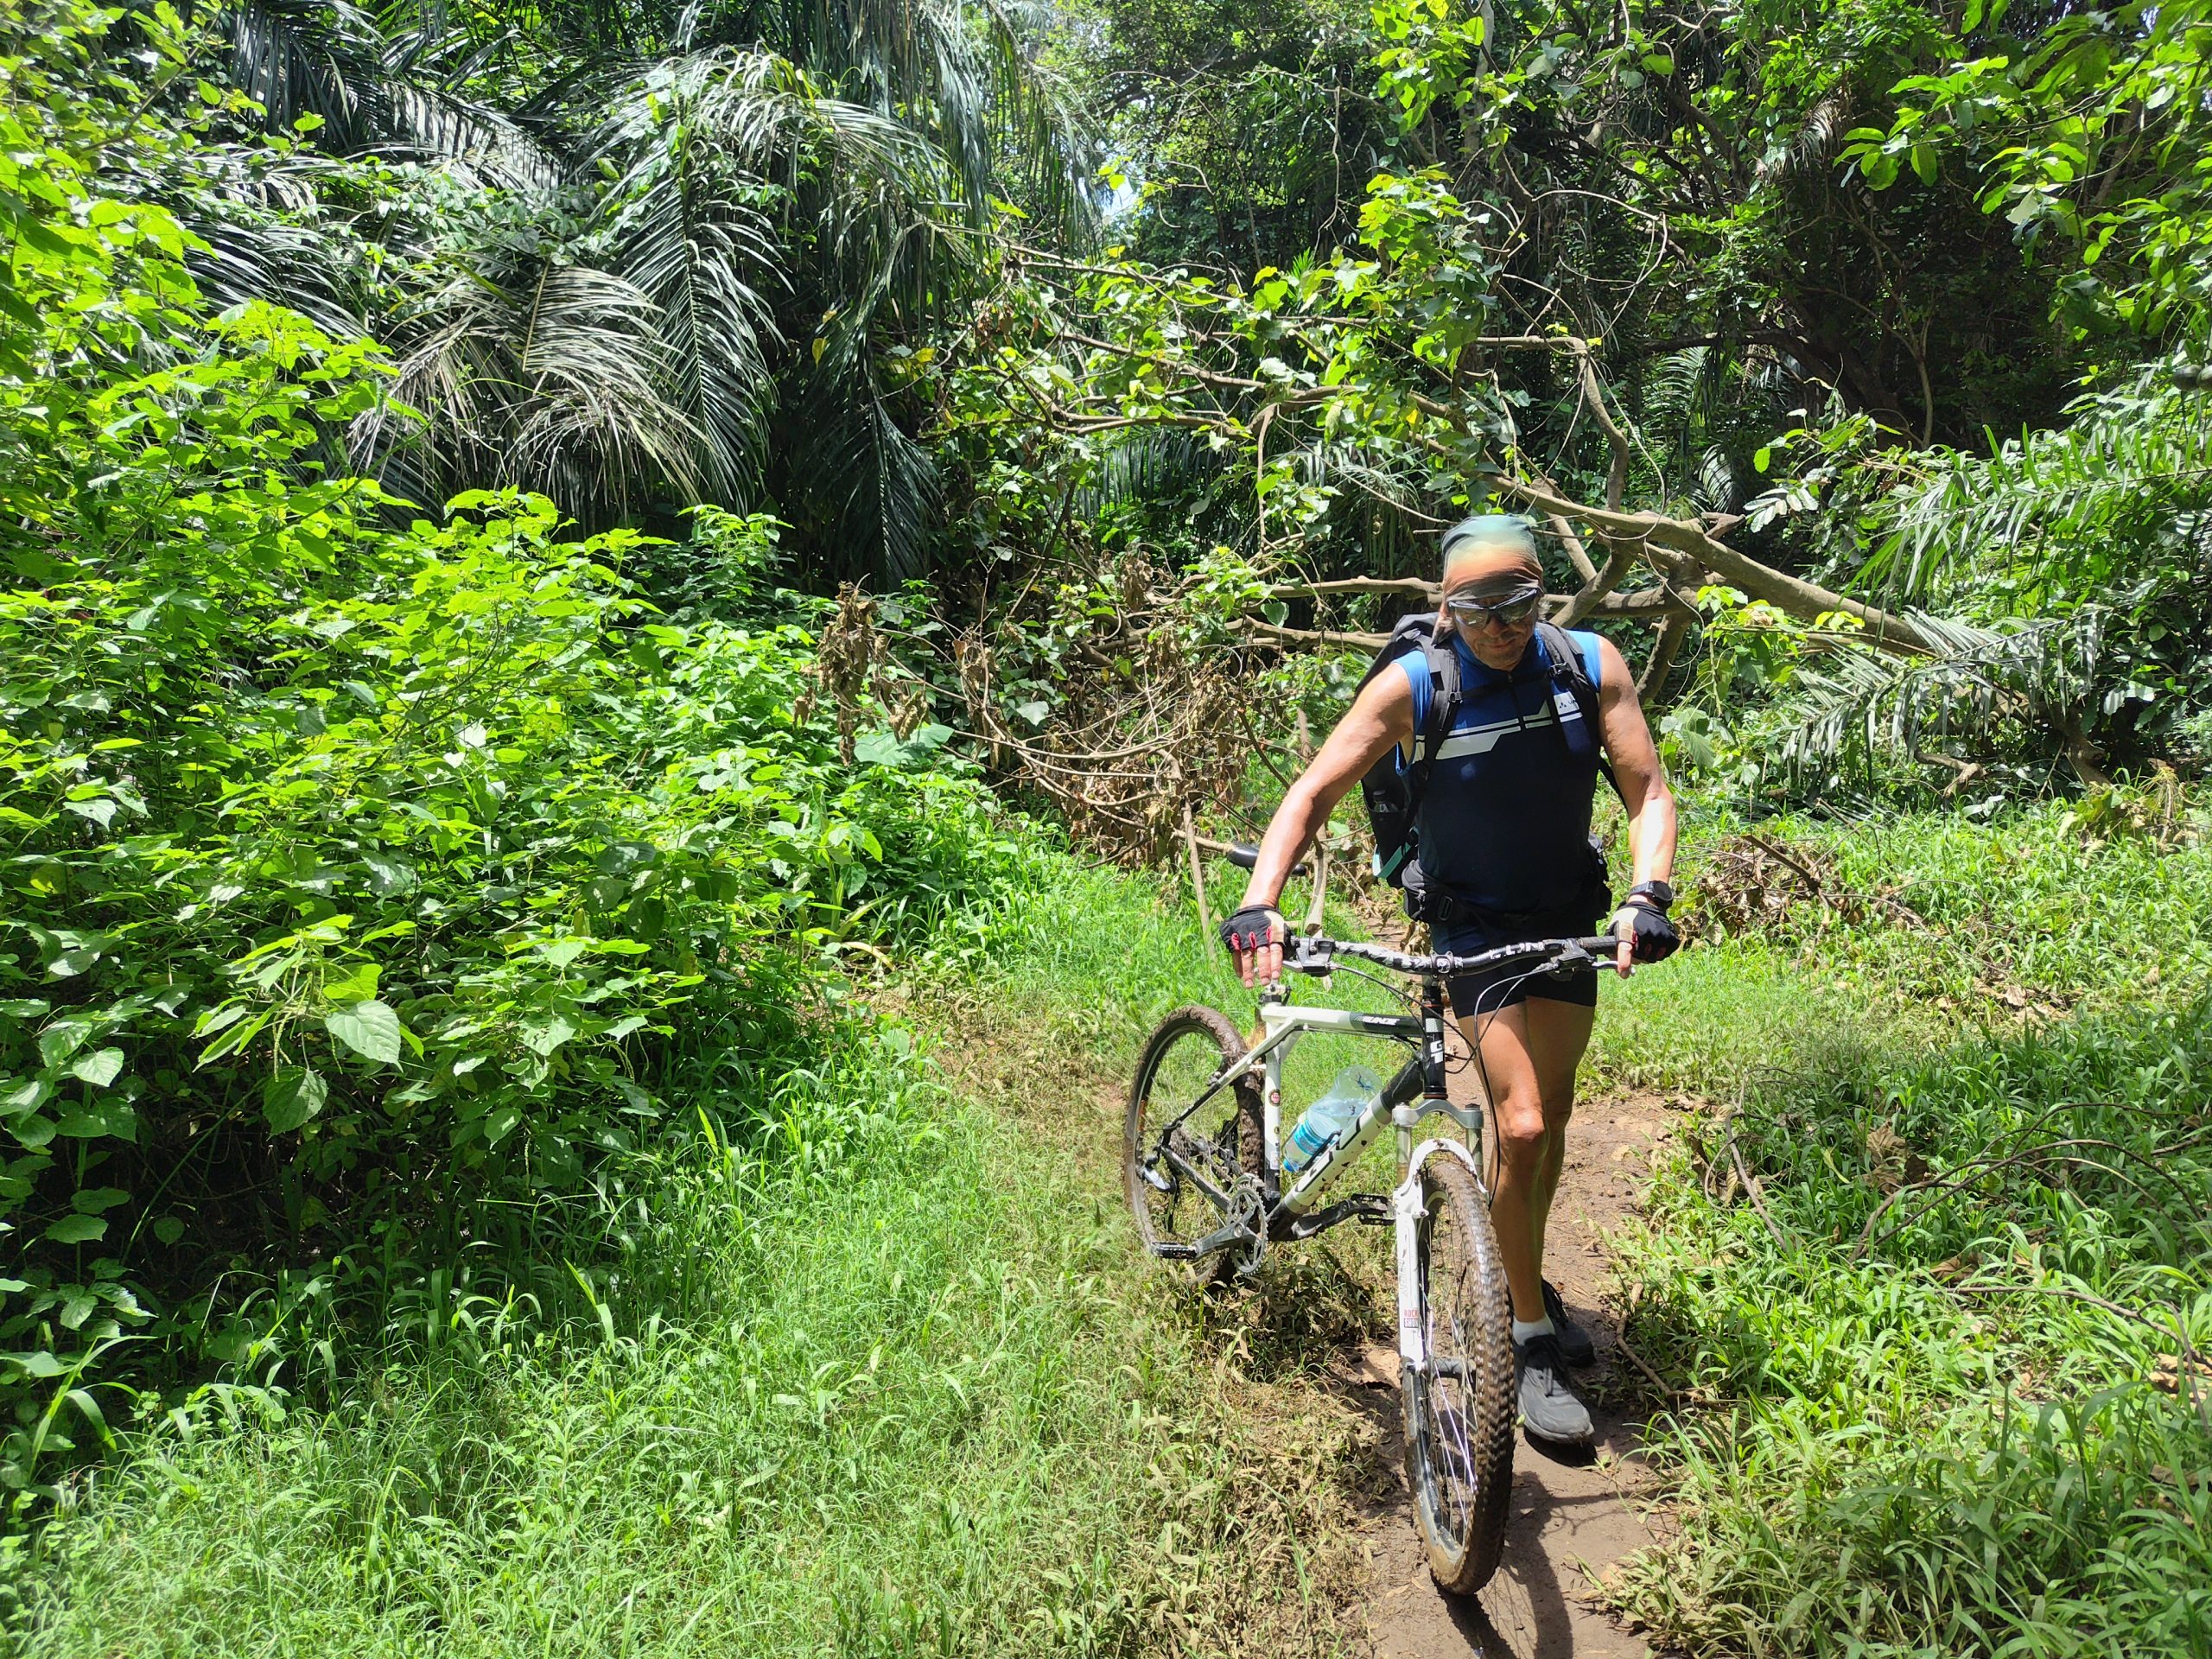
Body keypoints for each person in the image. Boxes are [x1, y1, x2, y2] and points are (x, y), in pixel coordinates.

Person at [1219, 514, 1680, 1446]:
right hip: (1469, 924)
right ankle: (1527, 1336)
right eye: (1477, 607)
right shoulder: (1414, 686)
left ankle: (1521, 1269)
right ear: (1446, 607)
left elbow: (1648, 792)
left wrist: (1647, 894)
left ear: (1542, 590)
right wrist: (1261, 900)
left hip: (1565, 919)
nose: (1501, 623)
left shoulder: (1590, 667)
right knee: (1516, 1121)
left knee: (1547, 1124)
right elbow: (1310, 794)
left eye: (1517, 600)